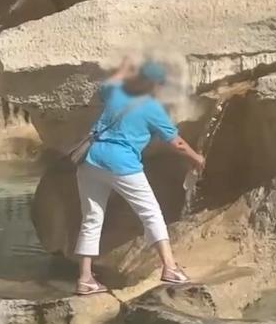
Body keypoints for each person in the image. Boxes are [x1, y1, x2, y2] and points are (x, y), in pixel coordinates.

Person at [73, 58, 206, 295]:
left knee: (92, 218)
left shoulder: (116, 93)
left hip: (90, 160)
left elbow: (108, 83)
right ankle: (170, 268)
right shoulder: (152, 108)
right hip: (122, 163)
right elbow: (176, 142)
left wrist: (123, 68)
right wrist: (197, 159)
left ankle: (85, 279)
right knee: (151, 213)